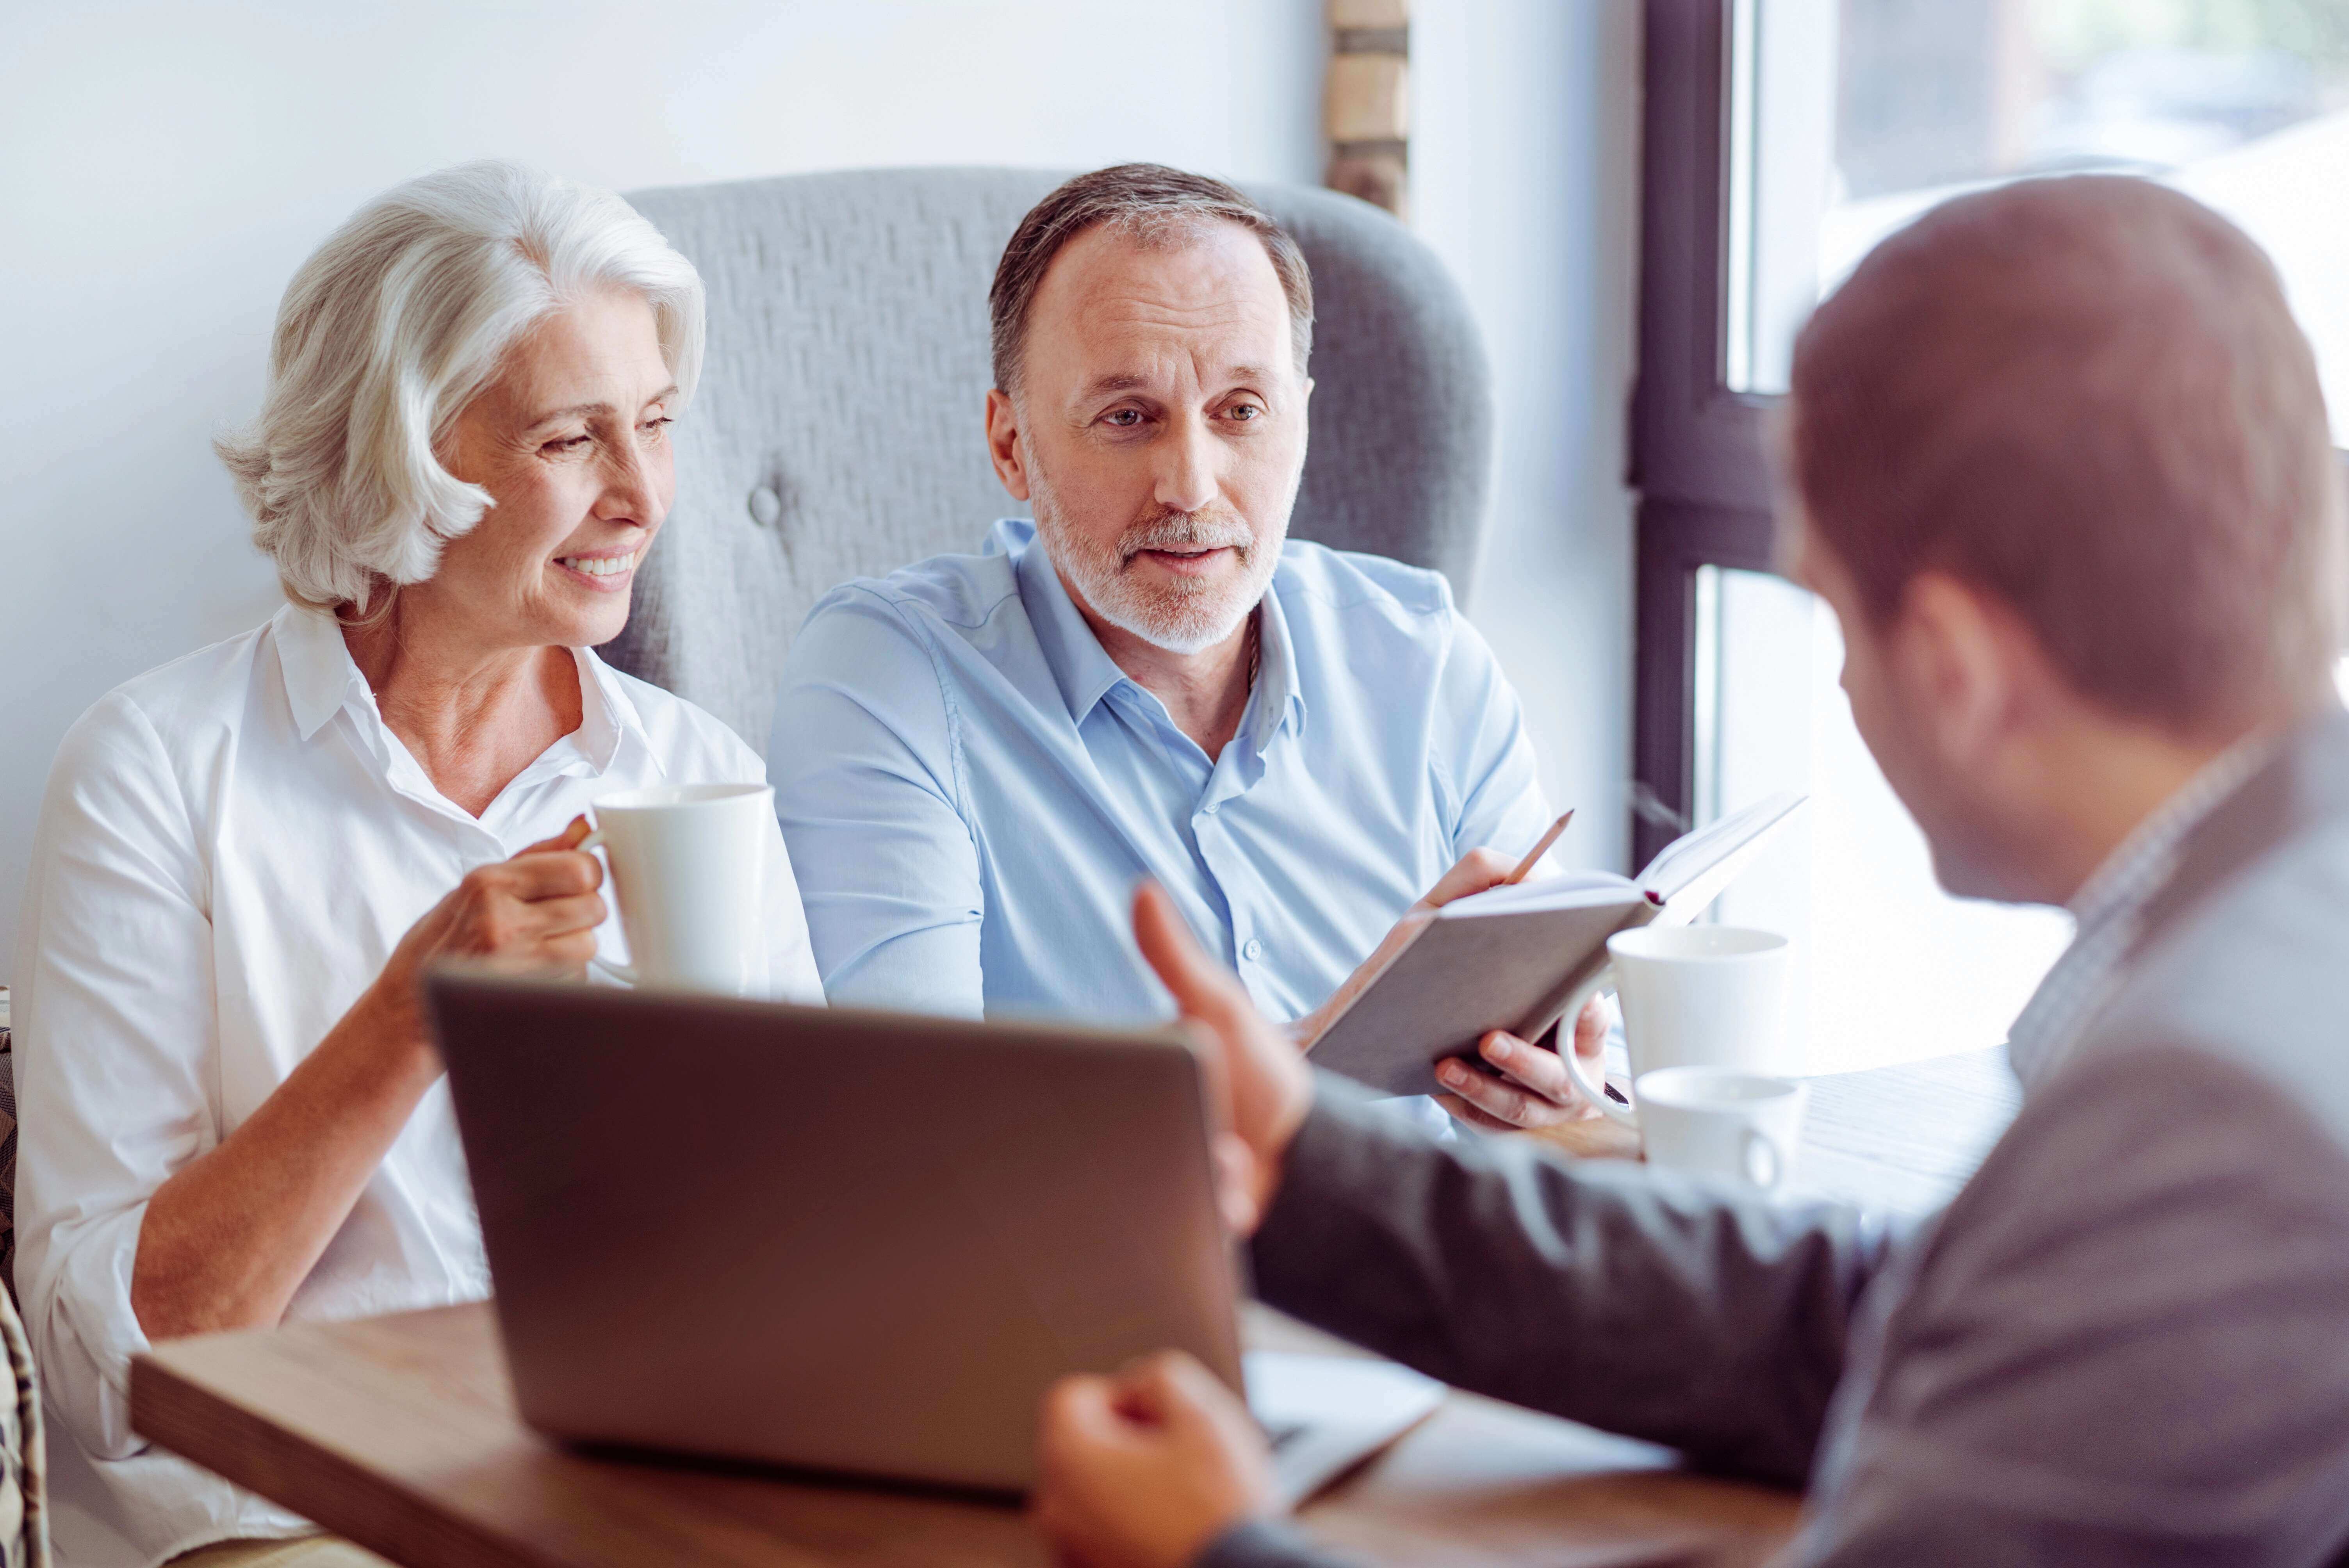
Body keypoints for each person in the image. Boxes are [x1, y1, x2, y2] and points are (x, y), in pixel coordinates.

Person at [1029, 176, 2349, 1566]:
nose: (1839, 677)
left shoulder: (2206, 1109)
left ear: (1956, 669)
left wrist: (1214, 1552)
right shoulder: (2281, 933)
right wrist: (1305, 1158)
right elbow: (1874, 1317)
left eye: (1832, 611)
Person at [13, 161, 822, 1567]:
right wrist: (408, 1016)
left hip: (622, 1490)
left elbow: (821, 1248)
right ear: (404, 455)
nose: (641, 497)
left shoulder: (698, 779)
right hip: (285, 1512)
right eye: (573, 439)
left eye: (655, 425)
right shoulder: (155, 770)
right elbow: (102, 1376)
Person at [769, 164, 1608, 1134]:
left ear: (1299, 421)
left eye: (1240, 411)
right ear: (1010, 446)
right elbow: (915, 1128)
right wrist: (1340, 1045)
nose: (1189, 486)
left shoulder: (1423, 658)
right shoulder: (887, 676)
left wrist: (1550, 1086)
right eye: (1127, 418)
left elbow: (1588, 1079)